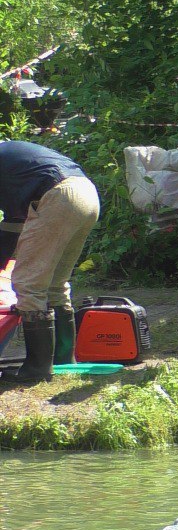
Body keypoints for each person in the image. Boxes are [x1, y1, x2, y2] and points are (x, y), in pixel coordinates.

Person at [0, 140, 100, 383]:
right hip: (86, 194)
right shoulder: (12, 158)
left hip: (58, 196)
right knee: (56, 283)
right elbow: (13, 224)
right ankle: (63, 360)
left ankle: (36, 368)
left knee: (28, 283)